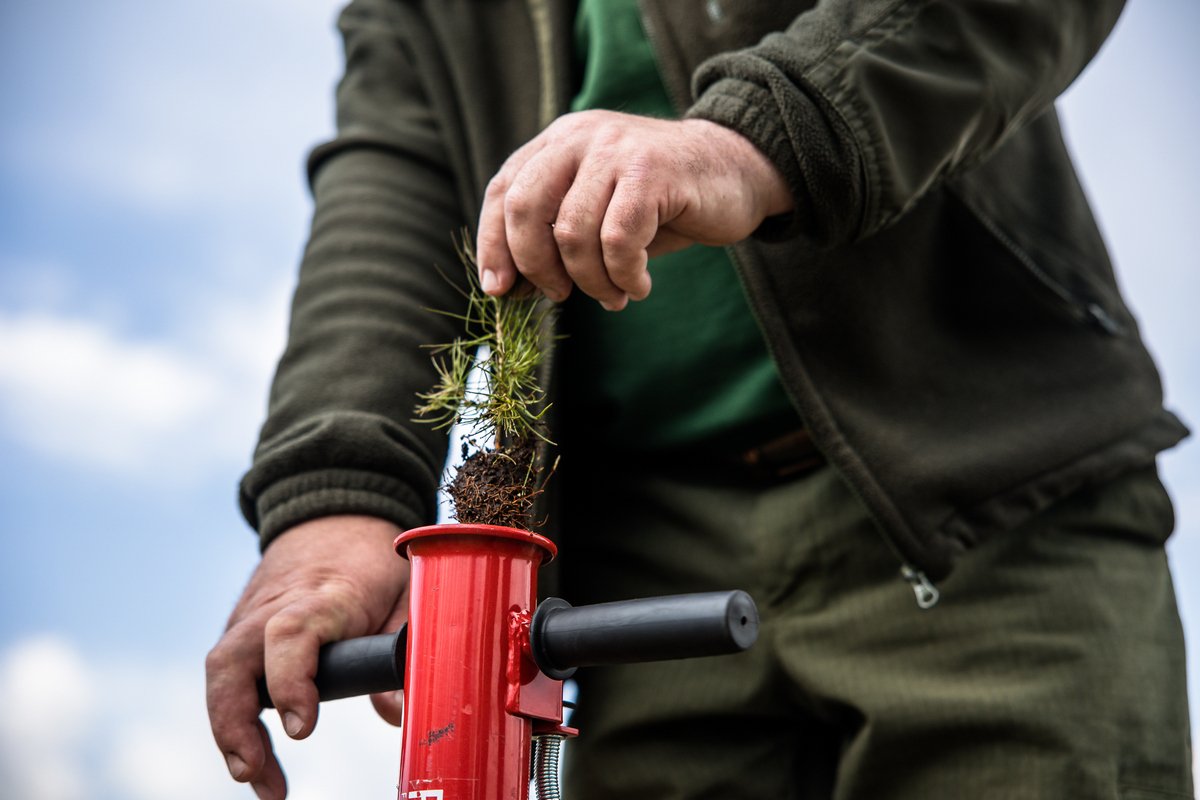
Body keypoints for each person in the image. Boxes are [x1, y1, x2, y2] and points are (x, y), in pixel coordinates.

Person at [206, 1, 1193, 798]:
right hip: (637, 573)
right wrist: (338, 497)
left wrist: (754, 139)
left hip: (985, 487)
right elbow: (397, 178)